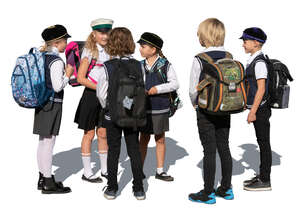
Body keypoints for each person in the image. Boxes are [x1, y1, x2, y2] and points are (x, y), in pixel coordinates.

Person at [95, 27, 146, 200]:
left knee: (113, 151)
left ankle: (111, 189)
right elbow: (141, 90)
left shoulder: (107, 67)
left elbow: (101, 94)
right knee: (134, 150)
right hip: (133, 115)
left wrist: (109, 107)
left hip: (113, 116)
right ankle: (139, 189)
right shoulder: (140, 66)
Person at [188, 18, 234, 204]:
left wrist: (195, 104)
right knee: (224, 146)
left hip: (206, 110)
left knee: (209, 151)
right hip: (225, 107)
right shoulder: (229, 56)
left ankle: (208, 193)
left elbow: (193, 89)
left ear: (204, 36)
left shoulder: (200, 58)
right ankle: (226, 189)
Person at [35, 24, 73, 194]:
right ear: (57, 43)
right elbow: (58, 86)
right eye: (65, 40)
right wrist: (68, 75)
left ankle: (43, 178)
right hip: (52, 103)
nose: (66, 44)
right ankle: (48, 182)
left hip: (42, 103)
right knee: (49, 143)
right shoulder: (56, 61)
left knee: (43, 142)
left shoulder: (41, 57)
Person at [74, 18, 113, 183]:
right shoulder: (89, 50)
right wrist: (99, 88)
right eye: (101, 32)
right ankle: (87, 172)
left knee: (103, 133)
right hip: (91, 97)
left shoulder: (112, 50)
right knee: (89, 133)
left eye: (107, 32)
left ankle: (105, 170)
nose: (104, 36)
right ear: (94, 33)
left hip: (107, 97)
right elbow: (81, 78)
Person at [137, 32, 179, 181]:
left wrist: (157, 89)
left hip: (160, 107)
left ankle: (160, 171)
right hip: (143, 108)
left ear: (153, 49)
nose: (140, 49)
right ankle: (139, 169)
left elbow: (175, 84)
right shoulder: (139, 65)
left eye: (143, 46)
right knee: (143, 138)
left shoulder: (165, 65)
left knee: (160, 138)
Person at [240, 27, 272, 191]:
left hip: (260, 110)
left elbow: (261, 89)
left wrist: (253, 112)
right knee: (262, 142)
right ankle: (261, 174)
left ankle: (265, 180)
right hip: (257, 109)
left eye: (245, 41)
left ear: (256, 43)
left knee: (264, 143)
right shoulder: (254, 59)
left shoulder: (259, 63)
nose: (243, 44)